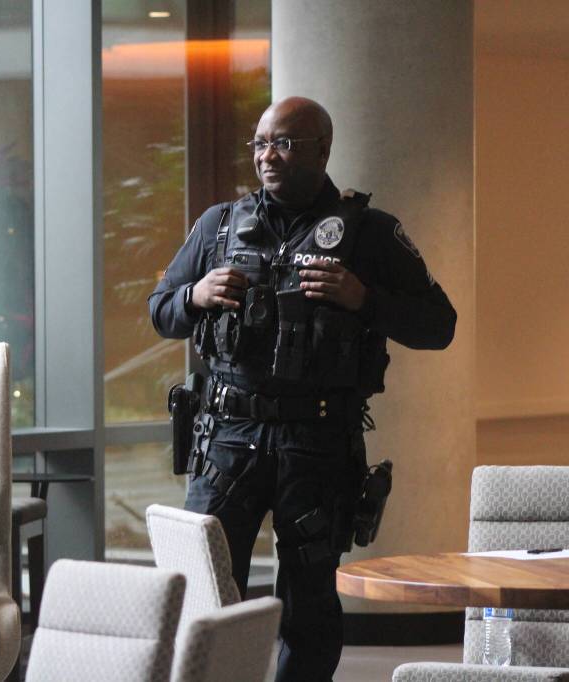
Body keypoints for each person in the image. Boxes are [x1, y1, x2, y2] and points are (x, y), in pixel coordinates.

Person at [149, 97, 456, 681]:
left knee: (309, 609)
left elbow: (440, 325)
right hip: (227, 439)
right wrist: (195, 295)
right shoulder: (218, 225)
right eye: (261, 143)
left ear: (323, 150)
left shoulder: (370, 232)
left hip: (318, 443)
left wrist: (365, 299)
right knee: (202, 594)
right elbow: (160, 310)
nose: (268, 155)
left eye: (284, 143)